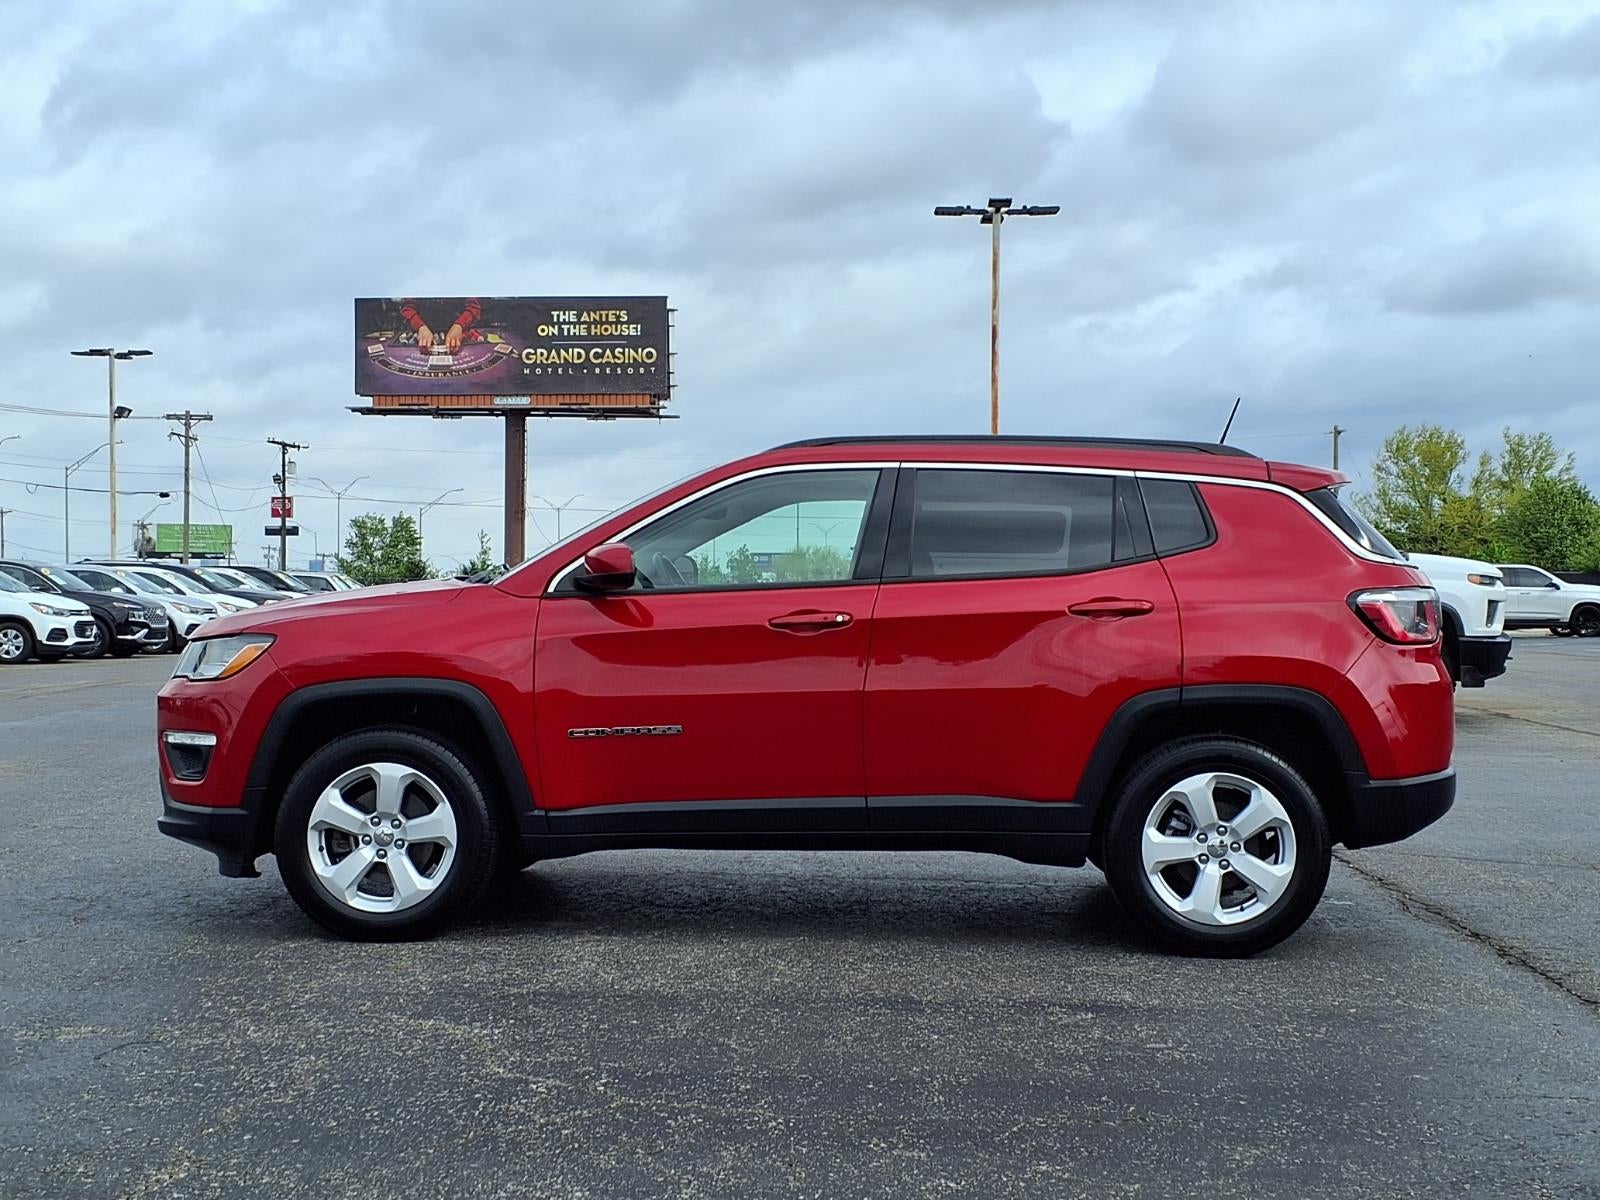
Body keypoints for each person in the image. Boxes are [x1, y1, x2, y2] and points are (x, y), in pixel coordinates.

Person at [399, 298, 481, 352]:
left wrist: (459, 326)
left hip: (458, 337)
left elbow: (473, 307)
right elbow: (407, 308)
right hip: (423, 337)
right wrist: (420, 327)